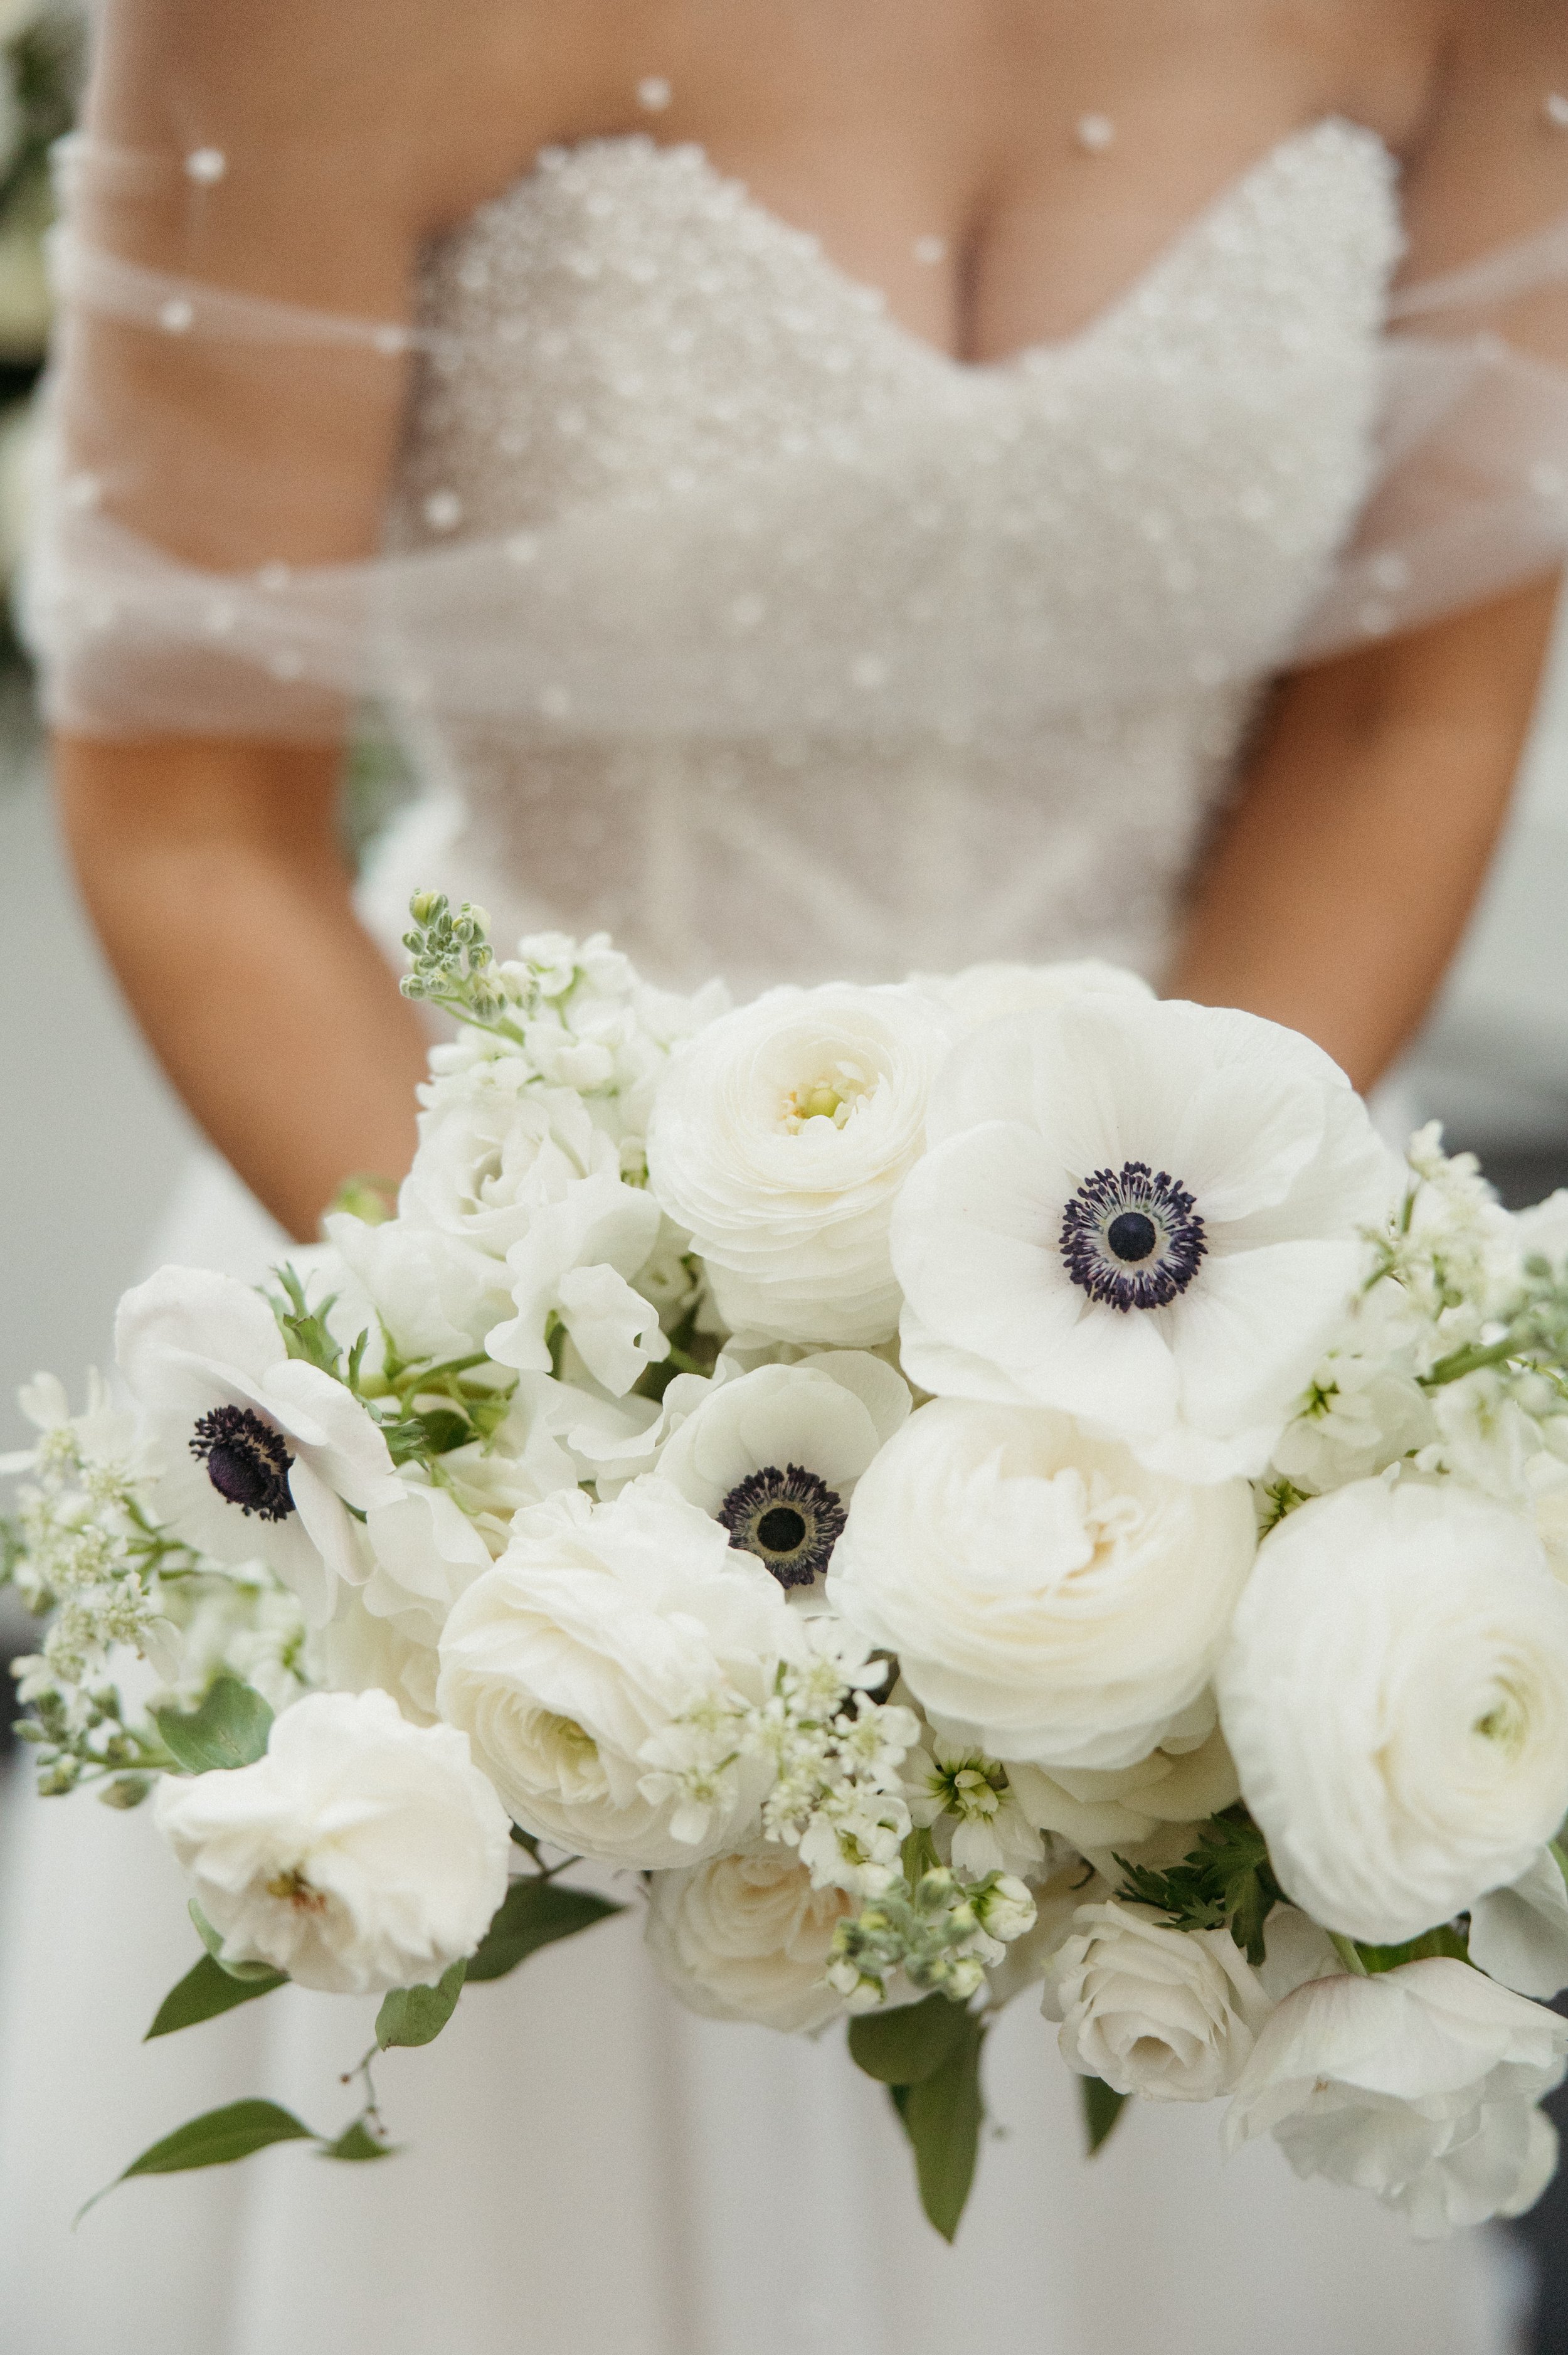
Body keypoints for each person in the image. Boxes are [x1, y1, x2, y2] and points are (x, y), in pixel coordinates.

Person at [3, 2, 1567, 2348]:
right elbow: (194, 811)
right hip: (473, 1276)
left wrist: (1175, 1324)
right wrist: (577, 1473)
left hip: (1172, 1358)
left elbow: (1405, 701)